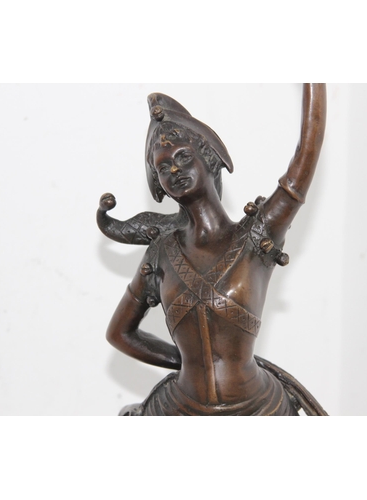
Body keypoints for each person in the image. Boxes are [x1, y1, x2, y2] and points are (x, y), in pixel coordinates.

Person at [97, 85, 327, 415]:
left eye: (183, 157)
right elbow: (120, 333)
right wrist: (187, 363)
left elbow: (304, 159)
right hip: (178, 408)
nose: (174, 170)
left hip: (259, 410)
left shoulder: (257, 236)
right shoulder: (160, 254)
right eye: (163, 167)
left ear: (209, 159)